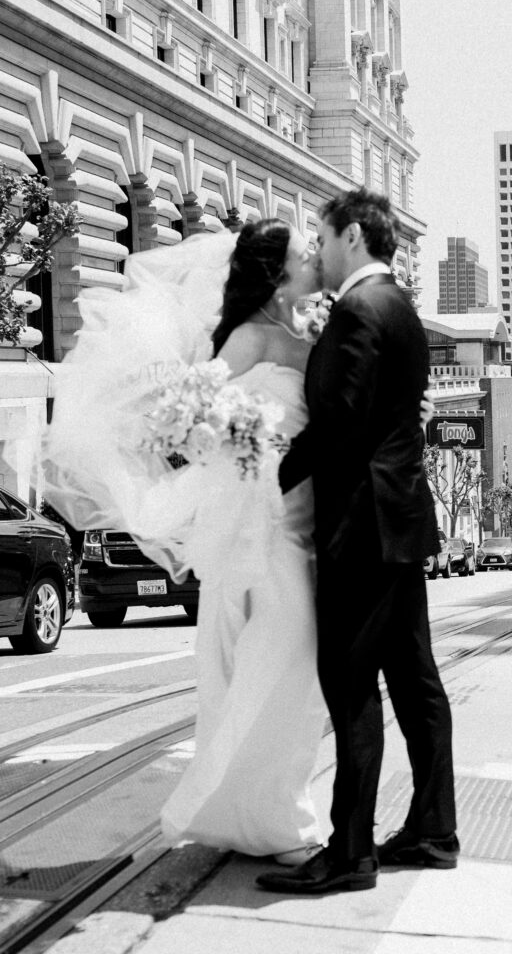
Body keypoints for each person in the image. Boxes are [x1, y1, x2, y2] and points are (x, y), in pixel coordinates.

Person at [43, 221, 328, 861]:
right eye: (302, 254)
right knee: (277, 660)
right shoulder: (255, 335)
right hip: (264, 526)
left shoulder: (298, 333)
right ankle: (276, 820)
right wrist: (232, 439)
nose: (313, 259)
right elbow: (185, 408)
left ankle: (249, 812)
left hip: (294, 525)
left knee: (278, 664)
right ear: (277, 275)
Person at [257, 188, 458, 896]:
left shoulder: (355, 312)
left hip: (361, 528)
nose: (316, 246)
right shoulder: (397, 307)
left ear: (350, 235)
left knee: (351, 687)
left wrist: (271, 476)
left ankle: (350, 853)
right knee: (414, 682)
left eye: (321, 233)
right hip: (399, 519)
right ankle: (433, 831)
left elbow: (340, 423)